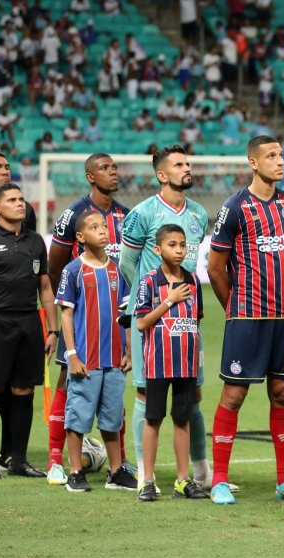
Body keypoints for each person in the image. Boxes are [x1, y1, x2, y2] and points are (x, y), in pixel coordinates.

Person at [207, 136, 284, 505]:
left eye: (281, 155)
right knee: (234, 394)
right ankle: (220, 480)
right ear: (253, 163)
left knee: (280, 395)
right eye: (271, 156)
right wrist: (236, 307)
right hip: (247, 316)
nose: (279, 161)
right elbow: (215, 268)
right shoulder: (235, 207)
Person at [119, 146, 212, 493]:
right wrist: (152, 296)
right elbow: (127, 264)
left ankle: (199, 474)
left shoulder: (200, 214)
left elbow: (190, 265)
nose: (187, 168)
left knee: (193, 395)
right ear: (162, 174)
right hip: (152, 321)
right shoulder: (142, 213)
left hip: (186, 322)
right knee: (147, 397)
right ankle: (147, 476)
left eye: (188, 163)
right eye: (179, 164)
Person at [45, 153, 130, 485]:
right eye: (104, 169)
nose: (113, 173)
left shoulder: (124, 216)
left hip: (113, 329)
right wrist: (71, 326)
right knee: (71, 392)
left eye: (114, 168)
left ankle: (117, 466)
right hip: (81, 325)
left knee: (112, 403)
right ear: (90, 176)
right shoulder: (73, 215)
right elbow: (54, 268)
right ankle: (59, 461)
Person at [0, 183, 56, 479]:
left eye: (21, 198)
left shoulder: (36, 242)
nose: (19, 203)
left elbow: (44, 287)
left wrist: (53, 329)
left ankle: (18, 460)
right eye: (11, 200)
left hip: (28, 323)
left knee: (24, 389)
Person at [55, 211, 136, 493]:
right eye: (94, 227)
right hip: (86, 361)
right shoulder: (73, 271)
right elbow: (66, 314)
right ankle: (75, 471)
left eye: (104, 226)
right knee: (77, 417)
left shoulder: (117, 269)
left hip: (114, 360)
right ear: (80, 237)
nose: (102, 231)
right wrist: (72, 354)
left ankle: (116, 472)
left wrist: (128, 350)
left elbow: (125, 314)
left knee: (112, 418)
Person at [132, 224, 207, 501]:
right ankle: (147, 481)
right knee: (153, 419)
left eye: (182, 245)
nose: (178, 250)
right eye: (172, 245)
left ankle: (182, 480)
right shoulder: (150, 282)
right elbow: (141, 323)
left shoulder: (193, 280)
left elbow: (196, 321)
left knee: (182, 419)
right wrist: (168, 301)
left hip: (185, 364)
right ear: (158, 249)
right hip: (158, 364)